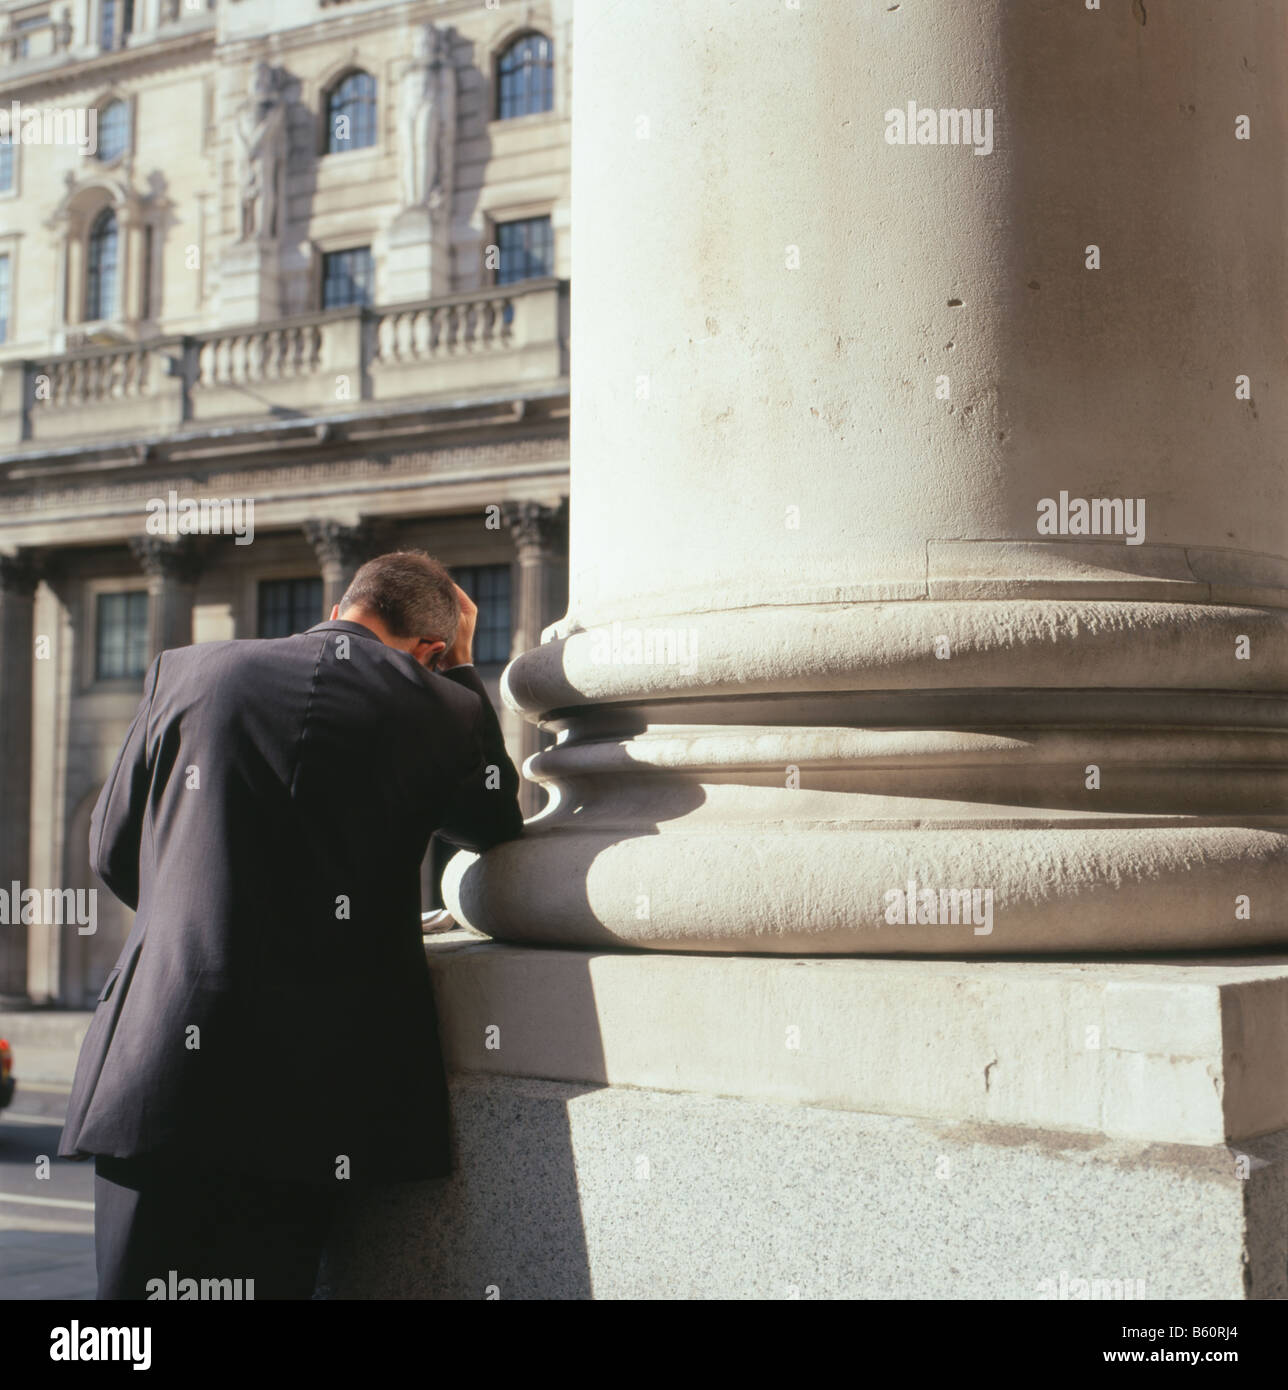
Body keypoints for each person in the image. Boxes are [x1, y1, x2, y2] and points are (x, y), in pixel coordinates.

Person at [58, 550, 524, 1299]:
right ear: (431, 648)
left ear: (342, 606)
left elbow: (113, 852)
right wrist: (464, 674)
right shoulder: (443, 705)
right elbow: (496, 824)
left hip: (159, 1067)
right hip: (315, 1098)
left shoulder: (186, 669)